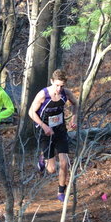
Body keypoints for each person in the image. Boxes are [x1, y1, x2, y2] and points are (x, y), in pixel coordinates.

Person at [28, 69, 78, 201]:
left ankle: (61, 191)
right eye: (57, 85)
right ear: (51, 82)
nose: (59, 88)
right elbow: (31, 112)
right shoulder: (43, 95)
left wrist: (74, 118)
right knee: (51, 169)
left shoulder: (65, 93)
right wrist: (44, 126)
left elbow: (75, 103)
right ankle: (43, 156)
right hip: (45, 131)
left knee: (64, 162)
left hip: (60, 130)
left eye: (62, 85)